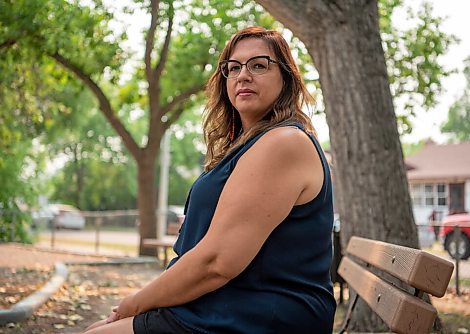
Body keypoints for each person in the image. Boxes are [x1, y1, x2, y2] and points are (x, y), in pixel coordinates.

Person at [83, 26, 336, 334]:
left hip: (263, 314)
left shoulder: (283, 143)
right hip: (227, 302)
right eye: (233, 68)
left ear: (286, 78)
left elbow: (216, 262)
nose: (243, 75)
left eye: (259, 65)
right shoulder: (249, 145)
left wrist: (133, 304)